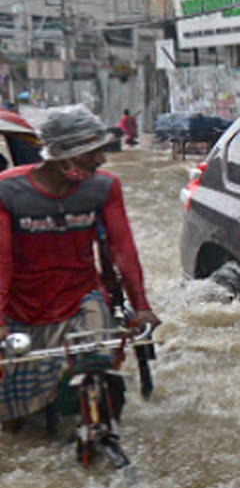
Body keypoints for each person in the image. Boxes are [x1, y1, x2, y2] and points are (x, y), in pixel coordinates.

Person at [0, 105, 160, 433]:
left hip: (83, 297)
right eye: (91, 153)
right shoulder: (8, 190)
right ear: (60, 153)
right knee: (12, 418)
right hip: (23, 303)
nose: (100, 160)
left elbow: (123, 251)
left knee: (99, 366)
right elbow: (1, 261)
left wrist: (141, 306)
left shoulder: (103, 187)